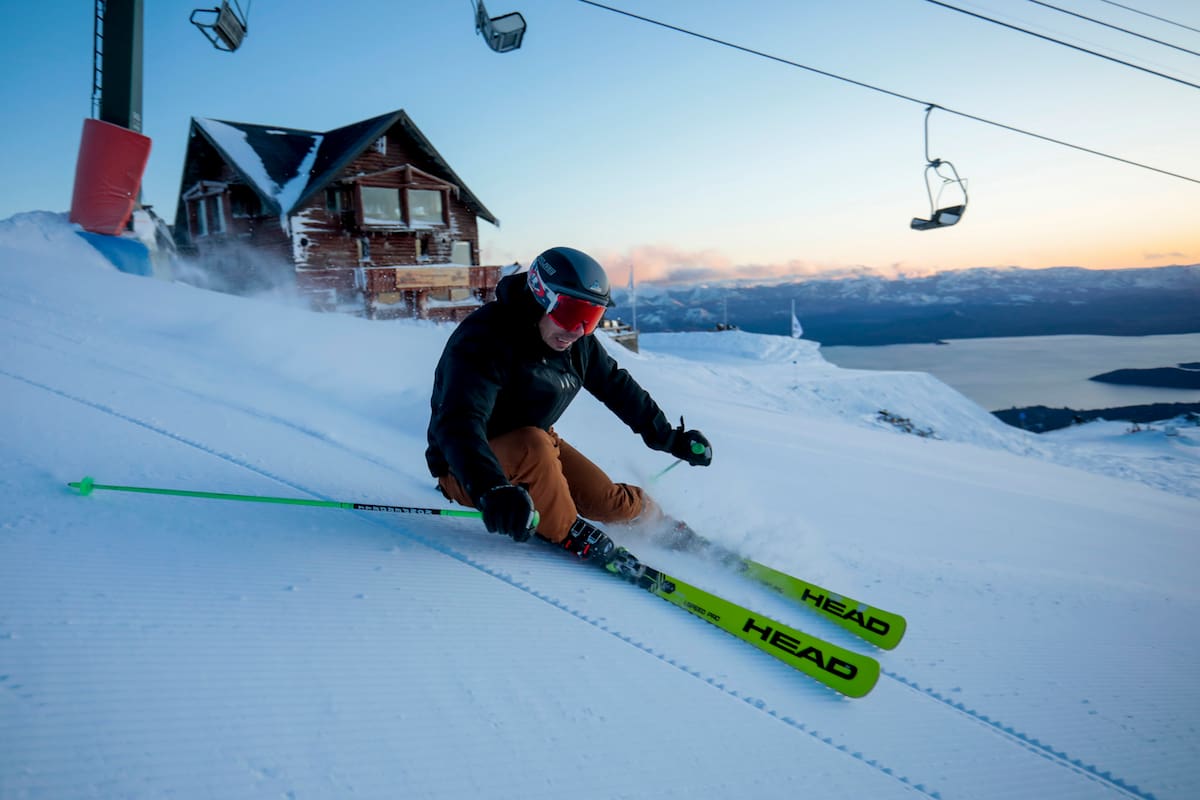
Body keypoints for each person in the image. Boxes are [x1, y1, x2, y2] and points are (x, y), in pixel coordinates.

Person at [425, 246, 712, 565]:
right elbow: (459, 423)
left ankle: (659, 523)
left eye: (590, 318)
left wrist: (670, 438)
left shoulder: (577, 344)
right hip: (466, 467)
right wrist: (490, 489)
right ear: (539, 295)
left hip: (537, 445)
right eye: (572, 313)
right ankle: (567, 530)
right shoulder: (485, 338)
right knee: (533, 446)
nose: (577, 331)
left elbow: (617, 387)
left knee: (606, 500)